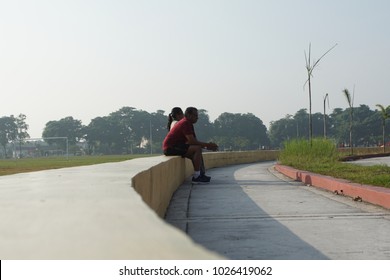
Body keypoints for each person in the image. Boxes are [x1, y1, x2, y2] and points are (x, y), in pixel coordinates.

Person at [163, 107, 218, 184]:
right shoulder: (185, 123)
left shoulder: (188, 123)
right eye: (195, 115)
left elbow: (194, 141)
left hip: (176, 146)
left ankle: (200, 174)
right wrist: (208, 145)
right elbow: (192, 141)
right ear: (188, 115)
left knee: (196, 153)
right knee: (197, 149)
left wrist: (207, 146)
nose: (197, 118)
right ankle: (196, 177)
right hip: (171, 147)